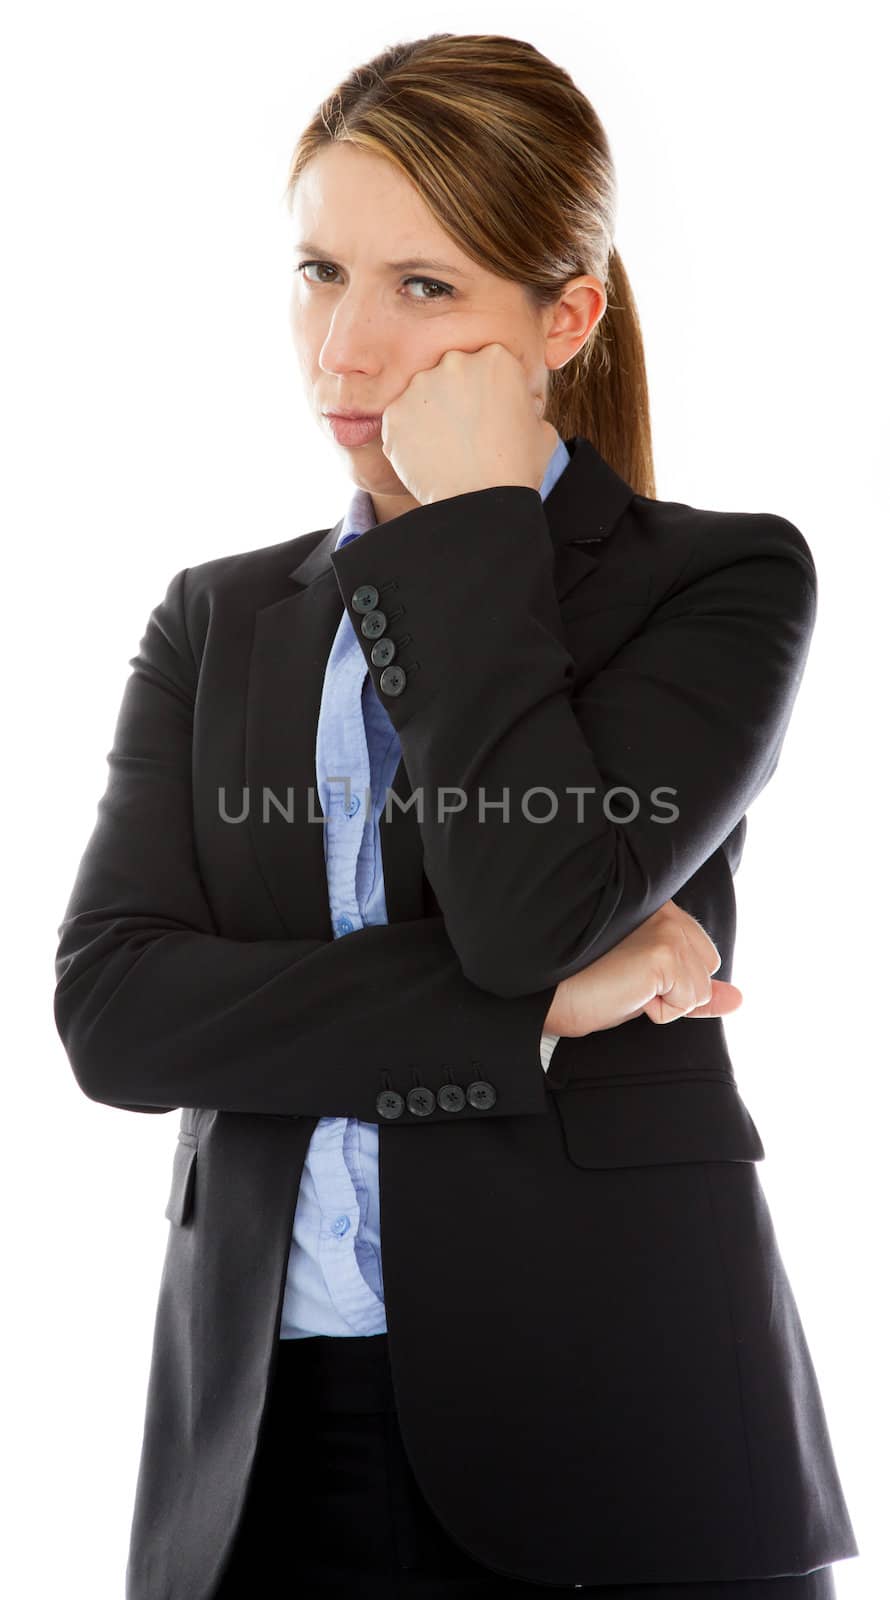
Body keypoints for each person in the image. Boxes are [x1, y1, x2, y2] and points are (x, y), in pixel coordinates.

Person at [53, 29, 859, 1600]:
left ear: (563, 318)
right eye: (318, 272)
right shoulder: (215, 618)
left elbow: (523, 903)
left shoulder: (713, 582)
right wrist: (533, 1016)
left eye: (425, 289)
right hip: (260, 1441)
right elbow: (117, 1015)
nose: (342, 351)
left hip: (618, 1416)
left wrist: (480, 518)